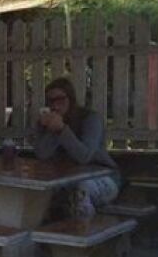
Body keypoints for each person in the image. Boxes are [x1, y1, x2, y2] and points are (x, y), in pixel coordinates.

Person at [33, 77, 120, 219]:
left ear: (71, 99)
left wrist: (62, 130)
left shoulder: (90, 119)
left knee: (80, 192)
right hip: (64, 178)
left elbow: (84, 156)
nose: (55, 105)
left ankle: (83, 228)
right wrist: (51, 131)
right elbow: (42, 154)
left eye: (60, 100)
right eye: (50, 101)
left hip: (100, 176)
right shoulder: (46, 123)